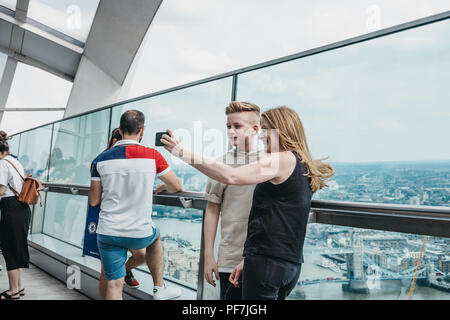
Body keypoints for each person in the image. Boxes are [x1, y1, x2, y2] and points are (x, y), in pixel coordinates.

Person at [161, 106, 334, 300]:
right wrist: (249, 260)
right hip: (288, 265)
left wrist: (182, 152)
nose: (261, 136)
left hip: (267, 265)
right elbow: (276, 220)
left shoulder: (281, 159)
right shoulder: (299, 162)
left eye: (266, 129)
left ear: (281, 129)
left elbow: (231, 175)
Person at [89, 110, 183, 300]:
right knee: (155, 238)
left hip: (108, 232)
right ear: (142, 130)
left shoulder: (100, 159)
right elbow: (177, 186)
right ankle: (159, 288)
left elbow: (93, 200)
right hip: (138, 233)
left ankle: (124, 275)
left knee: (114, 284)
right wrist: (163, 186)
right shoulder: (153, 156)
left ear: (120, 129)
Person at [203, 101, 262, 300]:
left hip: (262, 257)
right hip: (230, 258)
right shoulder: (220, 164)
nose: (231, 131)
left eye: (237, 126)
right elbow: (212, 210)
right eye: (228, 126)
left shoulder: (270, 161)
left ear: (254, 129)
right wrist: (209, 256)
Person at [96, 127, 147, 297]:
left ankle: (125, 269)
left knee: (142, 255)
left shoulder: (134, 160)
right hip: (108, 220)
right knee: (107, 271)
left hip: (132, 220)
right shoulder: (102, 161)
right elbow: (95, 197)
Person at [0, 131, 30, 300]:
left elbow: (1, 189)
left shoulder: (3, 164)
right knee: (16, 247)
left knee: (9, 248)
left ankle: (13, 291)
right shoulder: (14, 161)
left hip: (11, 208)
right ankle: (18, 287)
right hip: (22, 207)